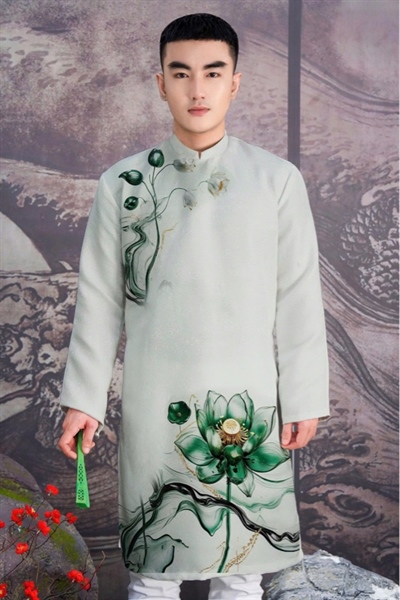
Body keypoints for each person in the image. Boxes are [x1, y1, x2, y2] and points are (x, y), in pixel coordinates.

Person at [58, 13, 329, 600]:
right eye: (181, 74)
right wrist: (83, 399)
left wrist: (304, 394)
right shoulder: (124, 183)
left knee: (243, 572)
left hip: (249, 396)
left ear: (235, 82)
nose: (197, 89)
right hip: (157, 395)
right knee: (155, 568)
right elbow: (99, 299)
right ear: (161, 83)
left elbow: (299, 294)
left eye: (213, 72)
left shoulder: (276, 180)